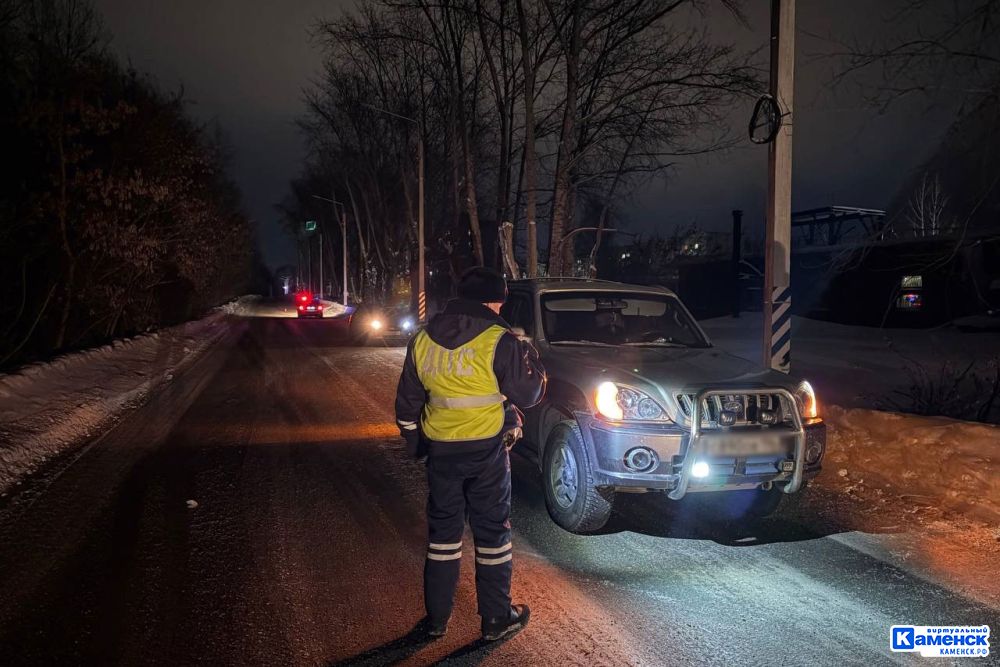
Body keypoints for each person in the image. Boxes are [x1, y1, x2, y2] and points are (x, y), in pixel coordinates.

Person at [394, 267, 546, 642]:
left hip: (442, 453)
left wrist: (418, 446)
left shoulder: (422, 339)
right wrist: (532, 359)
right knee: (492, 534)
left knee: (443, 536)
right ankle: (496, 618)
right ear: (494, 300)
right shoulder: (501, 340)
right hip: (487, 453)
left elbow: (406, 407)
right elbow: (530, 394)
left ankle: (436, 620)